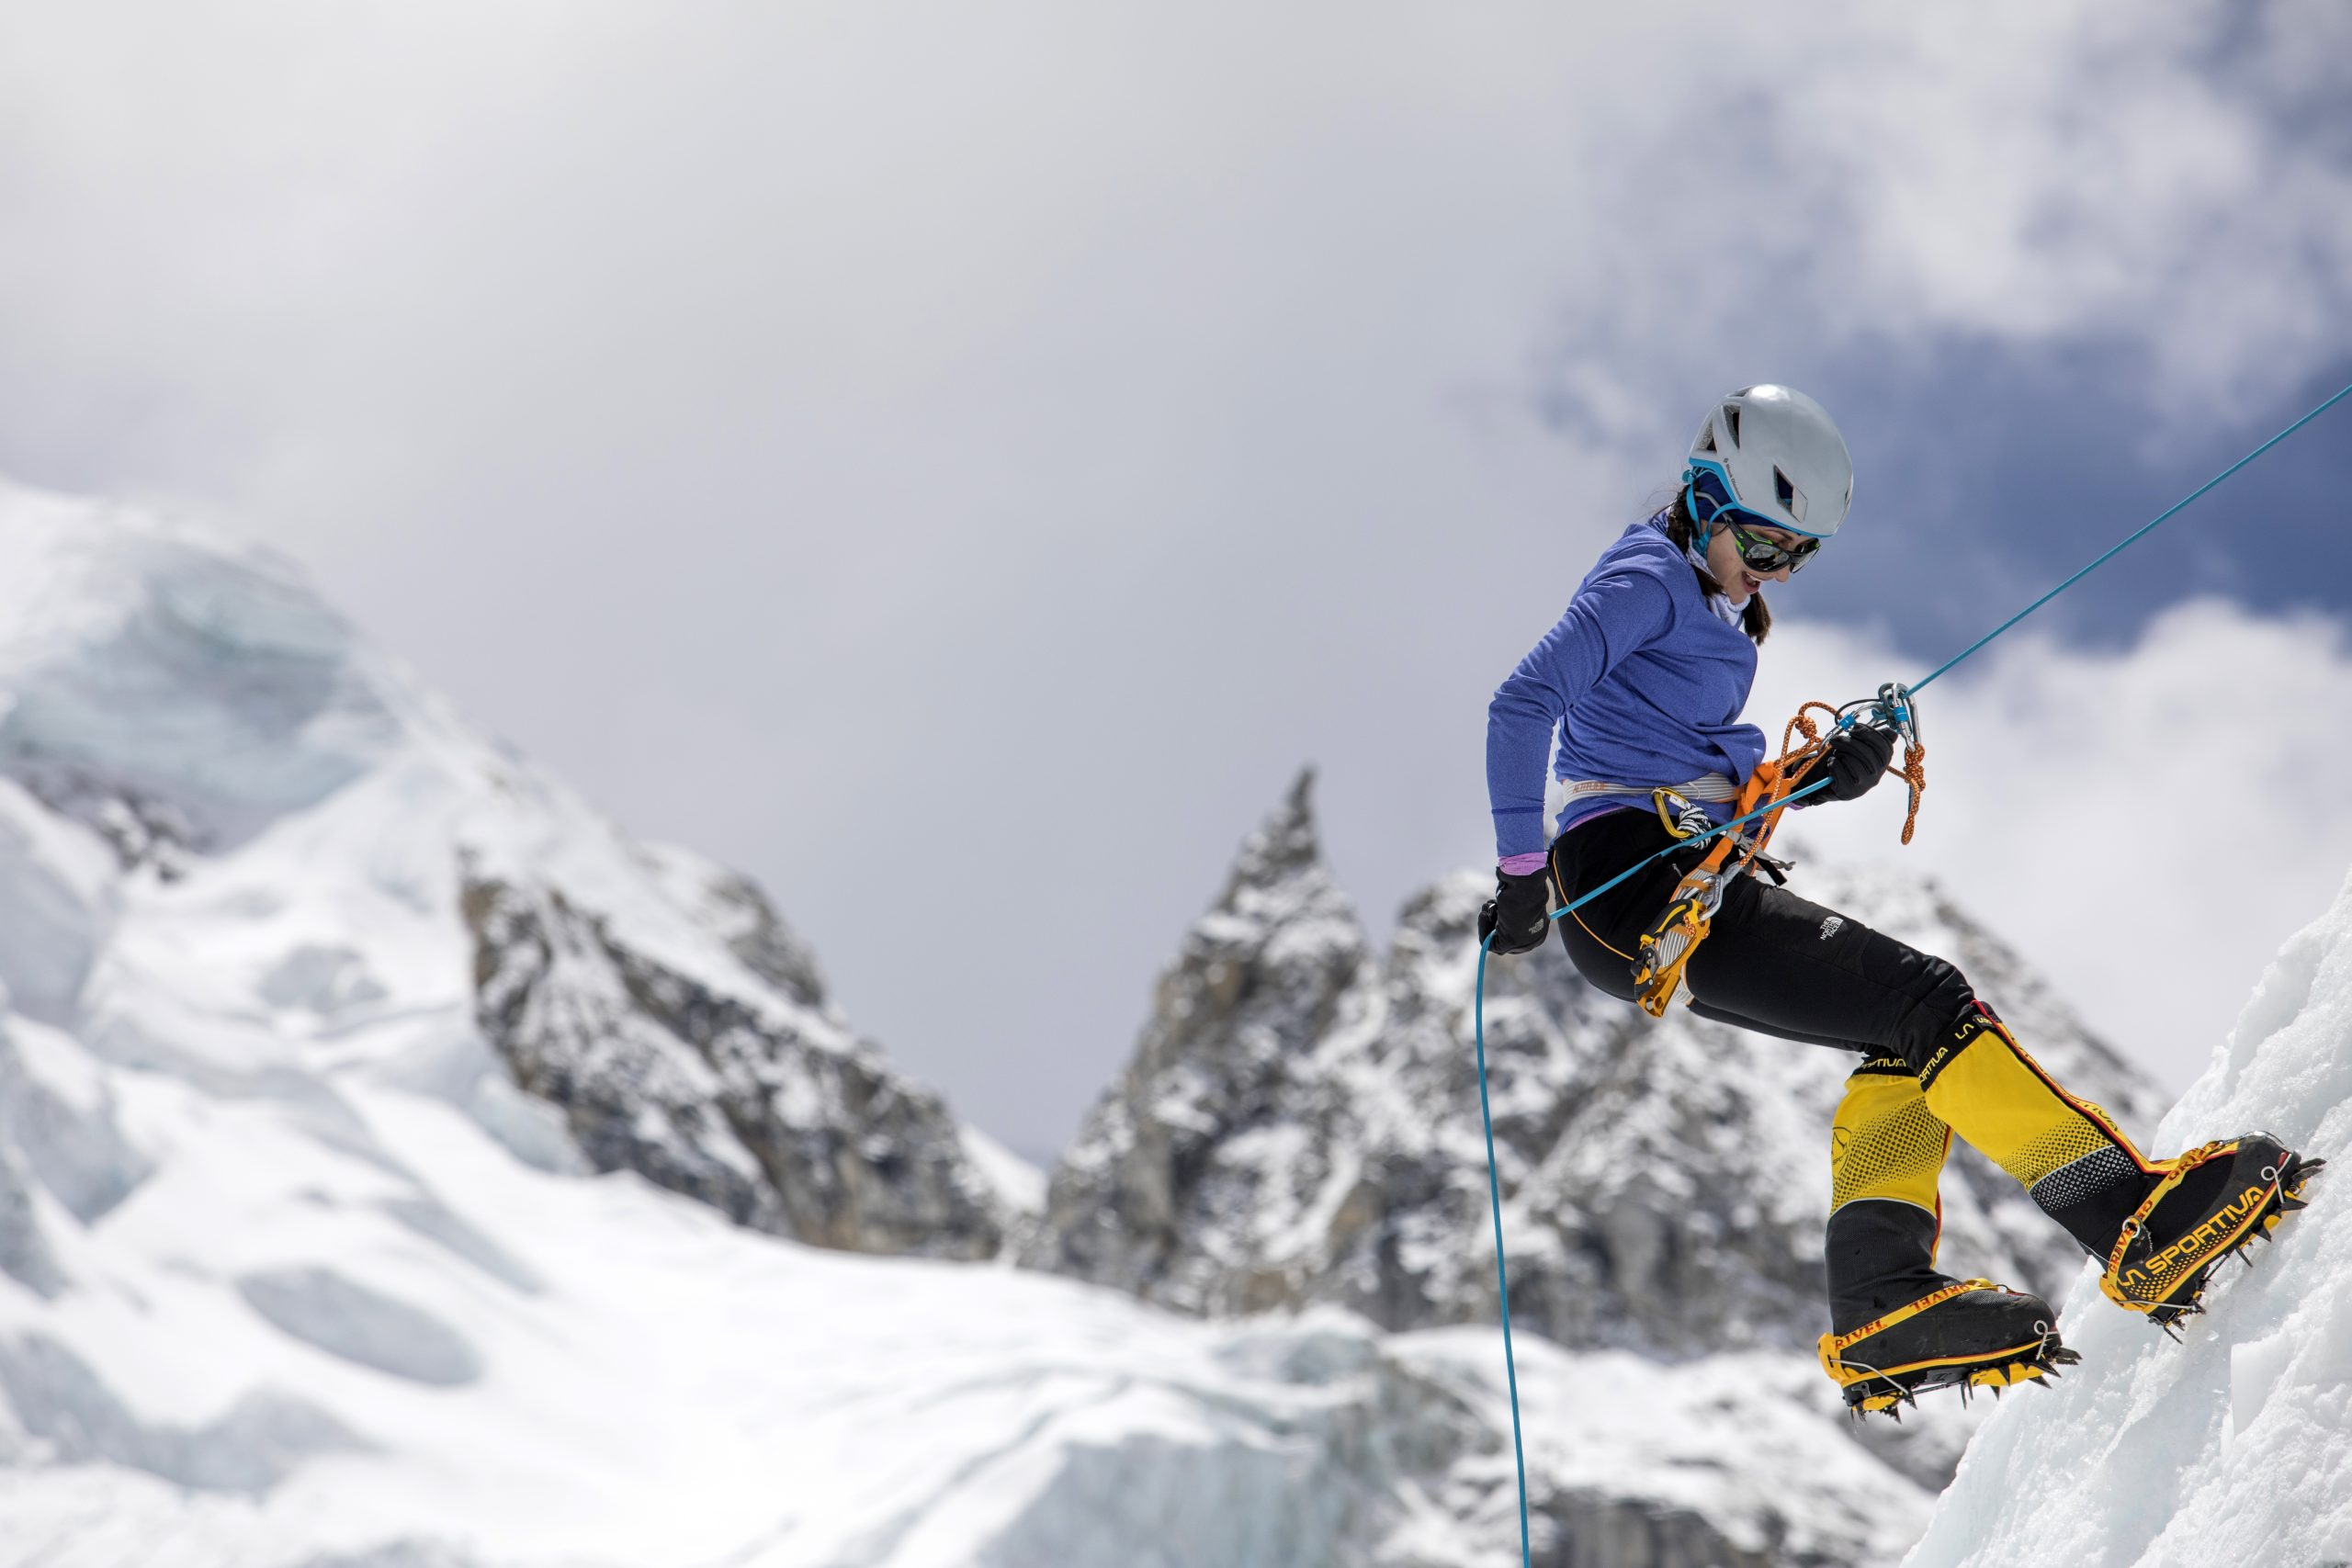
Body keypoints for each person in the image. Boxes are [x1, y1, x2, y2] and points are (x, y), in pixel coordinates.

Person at [1478, 385, 2321, 1413]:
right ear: (1701, 495)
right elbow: (1524, 703)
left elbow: (1676, 761)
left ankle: (1881, 1304)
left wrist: (1823, 773)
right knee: (1927, 1001)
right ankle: (2133, 1221)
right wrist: (1523, 880)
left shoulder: (1710, 593)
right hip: (1629, 876)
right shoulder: (1646, 579)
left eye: (1795, 557)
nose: (1771, 571)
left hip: (1664, 874)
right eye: (1761, 542)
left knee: (1905, 1043)